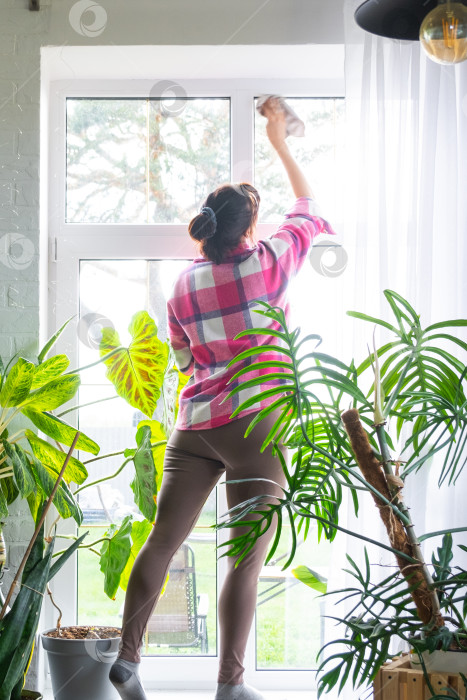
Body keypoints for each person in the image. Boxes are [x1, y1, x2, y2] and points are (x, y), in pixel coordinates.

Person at [109, 98, 335, 700]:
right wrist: (281, 141)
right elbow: (309, 209)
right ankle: (230, 686)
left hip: (195, 427)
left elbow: (180, 353)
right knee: (242, 561)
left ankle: (128, 660)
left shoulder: (182, 283)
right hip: (255, 430)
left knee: (162, 540)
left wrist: (204, 367)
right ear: (248, 231)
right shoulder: (268, 264)